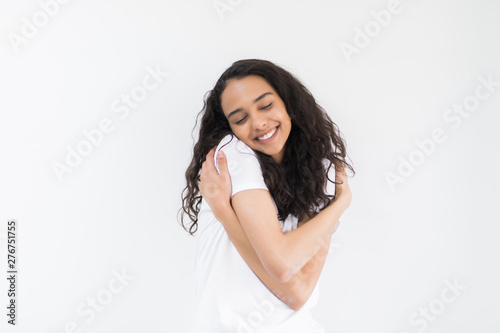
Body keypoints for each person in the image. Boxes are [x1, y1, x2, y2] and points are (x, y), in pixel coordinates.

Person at [180, 59, 354, 332]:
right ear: (230, 127)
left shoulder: (321, 171)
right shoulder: (233, 154)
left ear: (288, 103)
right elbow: (283, 266)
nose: (259, 123)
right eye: (240, 118)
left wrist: (226, 214)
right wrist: (340, 205)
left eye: (266, 105)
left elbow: (298, 293)